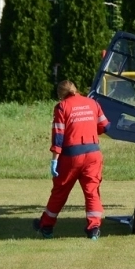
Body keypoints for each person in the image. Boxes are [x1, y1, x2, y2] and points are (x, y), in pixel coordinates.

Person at [34, 80, 110, 239]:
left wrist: (55, 159)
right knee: (92, 192)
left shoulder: (61, 107)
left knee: (60, 192)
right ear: (76, 89)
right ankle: (94, 229)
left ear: (60, 94)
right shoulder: (93, 103)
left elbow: (58, 137)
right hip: (93, 154)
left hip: (71, 156)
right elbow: (105, 126)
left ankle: (46, 226)